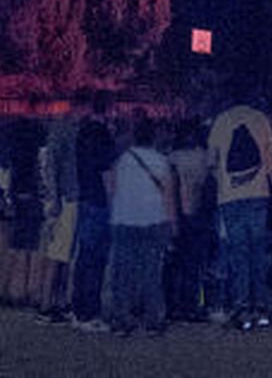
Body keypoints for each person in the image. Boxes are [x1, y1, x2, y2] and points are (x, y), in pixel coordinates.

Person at [207, 97, 272, 330]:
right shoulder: (260, 120)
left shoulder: (221, 122)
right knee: (258, 252)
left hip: (230, 198)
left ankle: (241, 307)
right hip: (257, 195)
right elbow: (270, 161)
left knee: (238, 252)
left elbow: (211, 162)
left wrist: (222, 181)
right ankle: (260, 307)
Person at [108, 115, 177, 336]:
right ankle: (152, 320)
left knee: (124, 272)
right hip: (153, 219)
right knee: (151, 272)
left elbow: (112, 189)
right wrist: (172, 223)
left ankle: (122, 318)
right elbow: (168, 196)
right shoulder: (161, 160)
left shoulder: (122, 160)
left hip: (124, 219)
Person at [71, 92, 117, 332]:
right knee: (96, 259)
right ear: (108, 109)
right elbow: (107, 173)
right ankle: (90, 312)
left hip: (85, 197)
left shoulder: (83, 132)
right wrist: (113, 203)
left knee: (84, 257)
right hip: (99, 201)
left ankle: (79, 310)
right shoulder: (102, 136)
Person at [0, 117, 46, 309]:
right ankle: (27, 292)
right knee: (31, 248)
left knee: (13, 246)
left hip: (17, 196)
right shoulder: (35, 154)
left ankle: (4, 290)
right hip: (31, 198)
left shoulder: (15, 153)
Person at [166, 117, 212, 321]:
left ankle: (171, 305)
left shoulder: (171, 157)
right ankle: (190, 305)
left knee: (174, 263)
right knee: (194, 263)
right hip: (195, 211)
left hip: (174, 213)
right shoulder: (202, 157)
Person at [35, 113, 80, 323]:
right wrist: (56, 200)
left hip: (62, 197)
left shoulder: (55, 135)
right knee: (58, 253)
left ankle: (55, 302)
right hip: (65, 198)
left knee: (61, 253)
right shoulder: (65, 132)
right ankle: (47, 304)